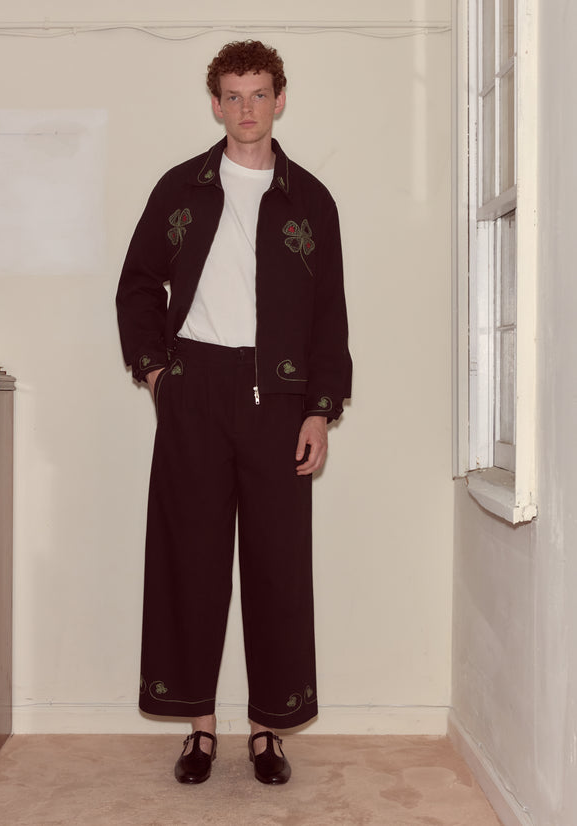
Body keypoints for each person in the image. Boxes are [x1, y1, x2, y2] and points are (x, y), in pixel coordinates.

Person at [116, 39, 351, 785]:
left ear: (280, 100)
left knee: (277, 565)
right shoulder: (180, 189)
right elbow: (137, 284)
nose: (246, 108)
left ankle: (267, 729)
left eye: (259, 94)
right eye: (232, 96)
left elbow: (329, 315)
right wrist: (157, 373)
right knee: (191, 558)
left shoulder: (311, 200)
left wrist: (319, 409)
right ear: (216, 105)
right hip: (195, 388)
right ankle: (199, 727)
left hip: (279, 397)